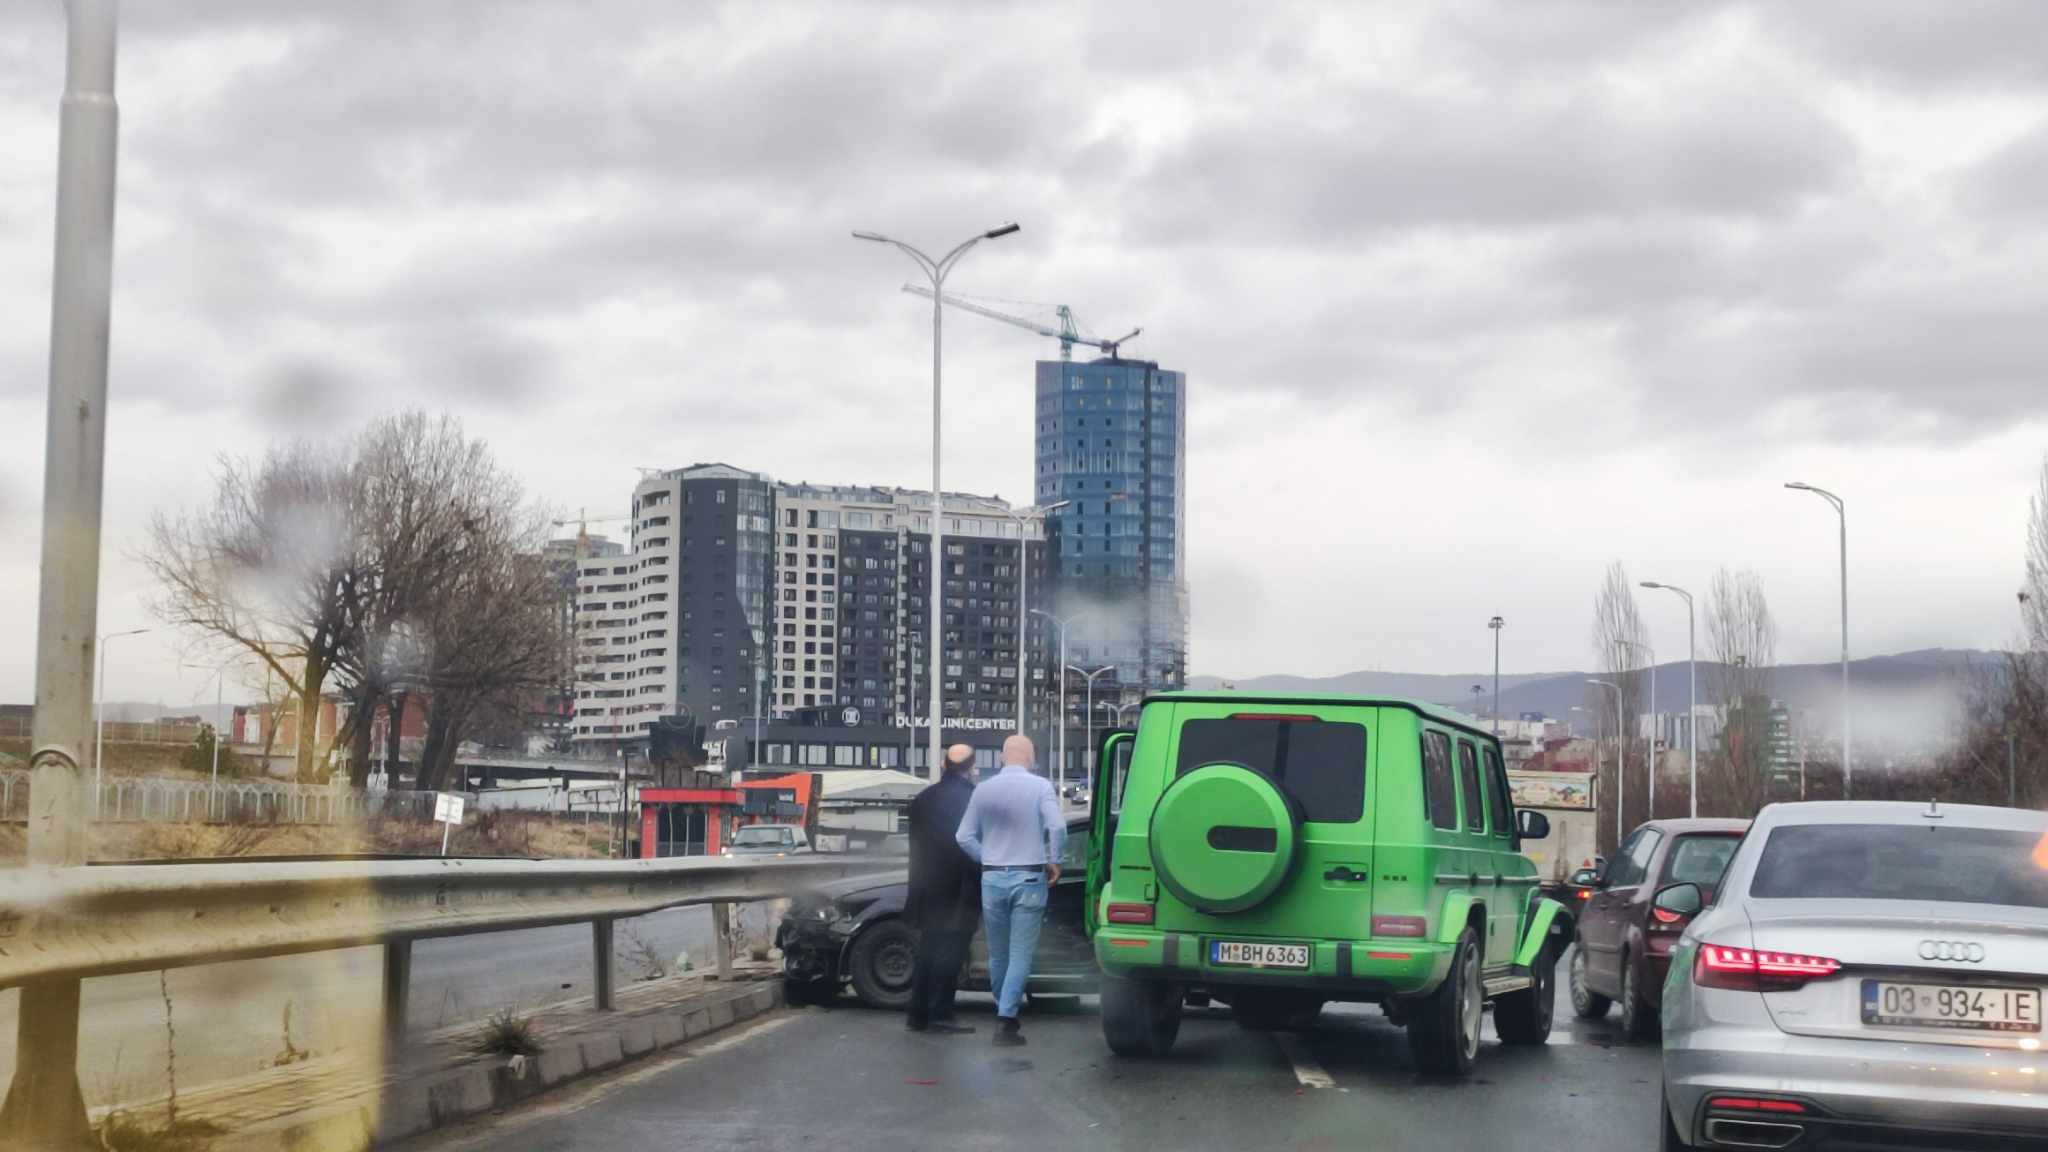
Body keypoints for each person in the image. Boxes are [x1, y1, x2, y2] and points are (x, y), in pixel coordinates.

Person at [955, 733, 1064, 1047]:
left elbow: (963, 836)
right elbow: (1057, 826)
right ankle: (1005, 1020)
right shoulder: (1041, 787)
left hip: (992, 880)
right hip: (1029, 878)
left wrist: (987, 857)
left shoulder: (983, 790)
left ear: (1002, 758)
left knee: (998, 955)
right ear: (1030, 759)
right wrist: (1054, 860)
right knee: (1020, 955)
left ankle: (1005, 1012)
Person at [903, 743, 980, 1034]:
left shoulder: (923, 799)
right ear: (971, 767)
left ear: (944, 765)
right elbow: (972, 844)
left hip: (925, 886)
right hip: (960, 888)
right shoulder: (973, 798)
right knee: (952, 951)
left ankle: (917, 1013)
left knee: (928, 948)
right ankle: (941, 1013)